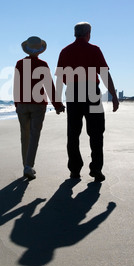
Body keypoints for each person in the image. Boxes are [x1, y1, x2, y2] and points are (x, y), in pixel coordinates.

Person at [56, 22, 119, 182]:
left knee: (73, 133)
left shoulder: (65, 51)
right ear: (88, 33)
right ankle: (96, 169)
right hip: (91, 90)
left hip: (72, 91)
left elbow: (60, 77)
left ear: (75, 33)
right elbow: (104, 74)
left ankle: (75, 170)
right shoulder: (94, 50)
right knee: (96, 132)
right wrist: (114, 95)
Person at [14, 36, 65, 180]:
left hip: (22, 104)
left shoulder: (19, 64)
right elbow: (49, 85)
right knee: (34, 135)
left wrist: (17, 104)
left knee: (24, 136)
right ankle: (28, 166)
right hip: (38, 105)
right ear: (40, 50)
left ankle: (26, 165)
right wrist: (57, 105)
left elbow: (16, 85)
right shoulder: (42, 64)